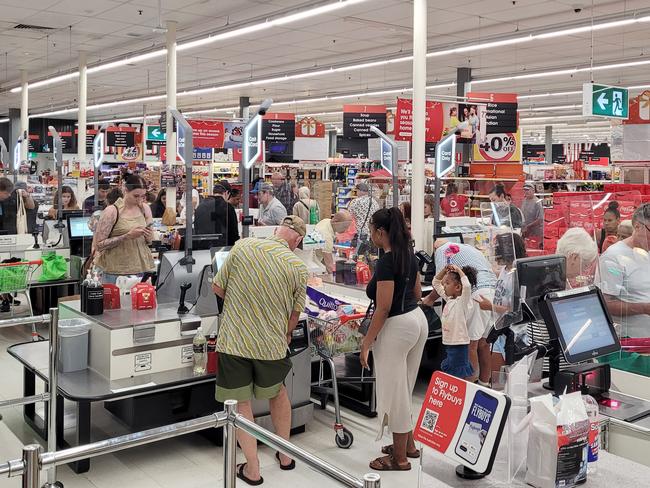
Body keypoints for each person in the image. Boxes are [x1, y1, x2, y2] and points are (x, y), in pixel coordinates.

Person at [212, 216, 308, 485]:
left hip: (235, 340)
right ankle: (285, 455)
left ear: (277, 230)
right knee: (278, 393)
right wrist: (284, 331)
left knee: (240, 402)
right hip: (272, 344)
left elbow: (217, 287)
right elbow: (294, 314)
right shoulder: (297, 267)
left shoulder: (242, 246)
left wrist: (244, 299)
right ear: (297, 241)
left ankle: (252, 469)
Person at [360, 207, 427, 472]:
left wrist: (367, 341)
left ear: (380, 232)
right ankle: (408, 445)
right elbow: (418, 291)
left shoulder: (387, 261)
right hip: (416, 319)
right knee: (406, 387)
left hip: (397, 325)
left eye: (372, 231)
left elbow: (384, 307)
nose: (371, 236)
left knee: (395, 393)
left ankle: (399, 459)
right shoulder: (409, 254)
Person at [422, 239, 498, 385]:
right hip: (493, 291)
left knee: (471, 346)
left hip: (477, 294)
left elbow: (443, 280)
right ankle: (484, 384)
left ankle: (470, 386)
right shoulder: (468, 248)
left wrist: (429, 299)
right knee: (484, 344)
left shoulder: (442, 250)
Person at [475, 233, 528, 374]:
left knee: (500, 378)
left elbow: (516, 310)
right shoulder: (506, 270)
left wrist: (490, 306)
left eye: (497, 249)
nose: (496, 253)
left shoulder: (518, 274)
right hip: (500, 327)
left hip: (512, 333)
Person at [598, 203, 650, 338]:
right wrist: (644, 308)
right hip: (631, 342)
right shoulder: (613, 257)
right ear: (638, 227)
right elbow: (605, 303)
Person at [93, 174, 155, 284]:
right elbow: (99, 245)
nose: (140, 199)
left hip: (142, 269)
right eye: (136, 196)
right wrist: (126, 236)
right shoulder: (112, 211)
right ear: (126, 190)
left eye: (143, 196)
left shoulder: (144, 208)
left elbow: (150, 241)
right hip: (116, 272)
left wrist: (149, 236)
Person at [433, 265, 477, 379]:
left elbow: (466, 286)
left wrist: (458, 270)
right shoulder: (449, 299)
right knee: (453, 372)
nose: (444, 285)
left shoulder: (462, 302)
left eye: (447, 283)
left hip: (459, 344)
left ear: (457, 287)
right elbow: (436, 282)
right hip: (449, 343)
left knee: (457, 373)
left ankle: (458, 394)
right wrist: (444, 271)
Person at [194, 182, 239, 246]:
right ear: (227, 193)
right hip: (222, 248)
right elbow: (234, 233)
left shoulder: (200, 206)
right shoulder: (228, 207)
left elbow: (196, 228)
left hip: (202, 248)